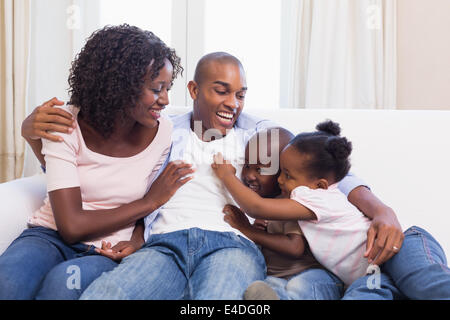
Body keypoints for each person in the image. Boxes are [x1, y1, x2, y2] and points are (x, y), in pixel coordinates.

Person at [25, 52, 405, 300]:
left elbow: (321, 172)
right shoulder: (161, 133)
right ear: (193, 90)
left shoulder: (257, 139)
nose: (232, 103)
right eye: (221, 91)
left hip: (231, 246)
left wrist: (379, 208)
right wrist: (32, 134)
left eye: (240, 94)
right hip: (165, 246)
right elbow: (109, 171)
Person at [0, 25, 192, 300]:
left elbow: (150, 217)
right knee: (7, 282)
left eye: (167, 88)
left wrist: (137, 238)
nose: (165, 100)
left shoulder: (163, 132)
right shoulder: (64, 122)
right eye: (156, 89)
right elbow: (71, 227)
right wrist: (150, 200)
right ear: (120, 85)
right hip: (49, 236)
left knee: (62, 286)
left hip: (106, 248)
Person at [211, 120, 450, 299]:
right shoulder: (307, 190)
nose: (281, 181)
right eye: (280, 172)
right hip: (368, 273)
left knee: (423, 282)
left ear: (320, 185)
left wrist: (226, 175)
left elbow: (255, 206)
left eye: (287, 175)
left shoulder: (312, 196)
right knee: (361, 295)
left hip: (401, 243)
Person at [222, 127, 344, 300]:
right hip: (278, 279)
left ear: (283, 172)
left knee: (299, 286)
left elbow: (295, 247)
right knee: (264, 288)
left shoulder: (293, 203)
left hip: (314, 276)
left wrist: (249, 231)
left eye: (260, 169)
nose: (248, 175)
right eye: (247, 165)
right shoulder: (262, 204)